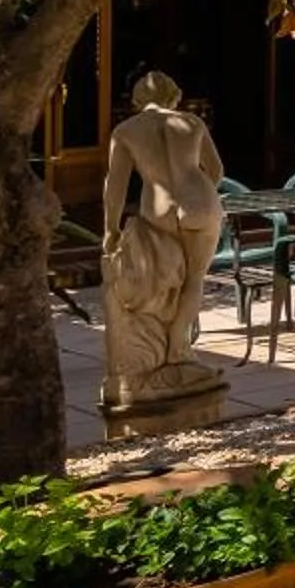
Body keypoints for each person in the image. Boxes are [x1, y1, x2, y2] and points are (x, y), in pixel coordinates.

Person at [98, 71, 229, 408]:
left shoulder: (126, 131)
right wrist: (201, 197)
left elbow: (115, 186)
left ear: (138, 99)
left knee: (170, 280)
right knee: (194, 279)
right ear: (175, 96)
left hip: (159, 209)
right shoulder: (192, 122)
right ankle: (177, 349)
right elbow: (216, 171)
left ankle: (171, 351)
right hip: (199, 201)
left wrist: (110, 228)